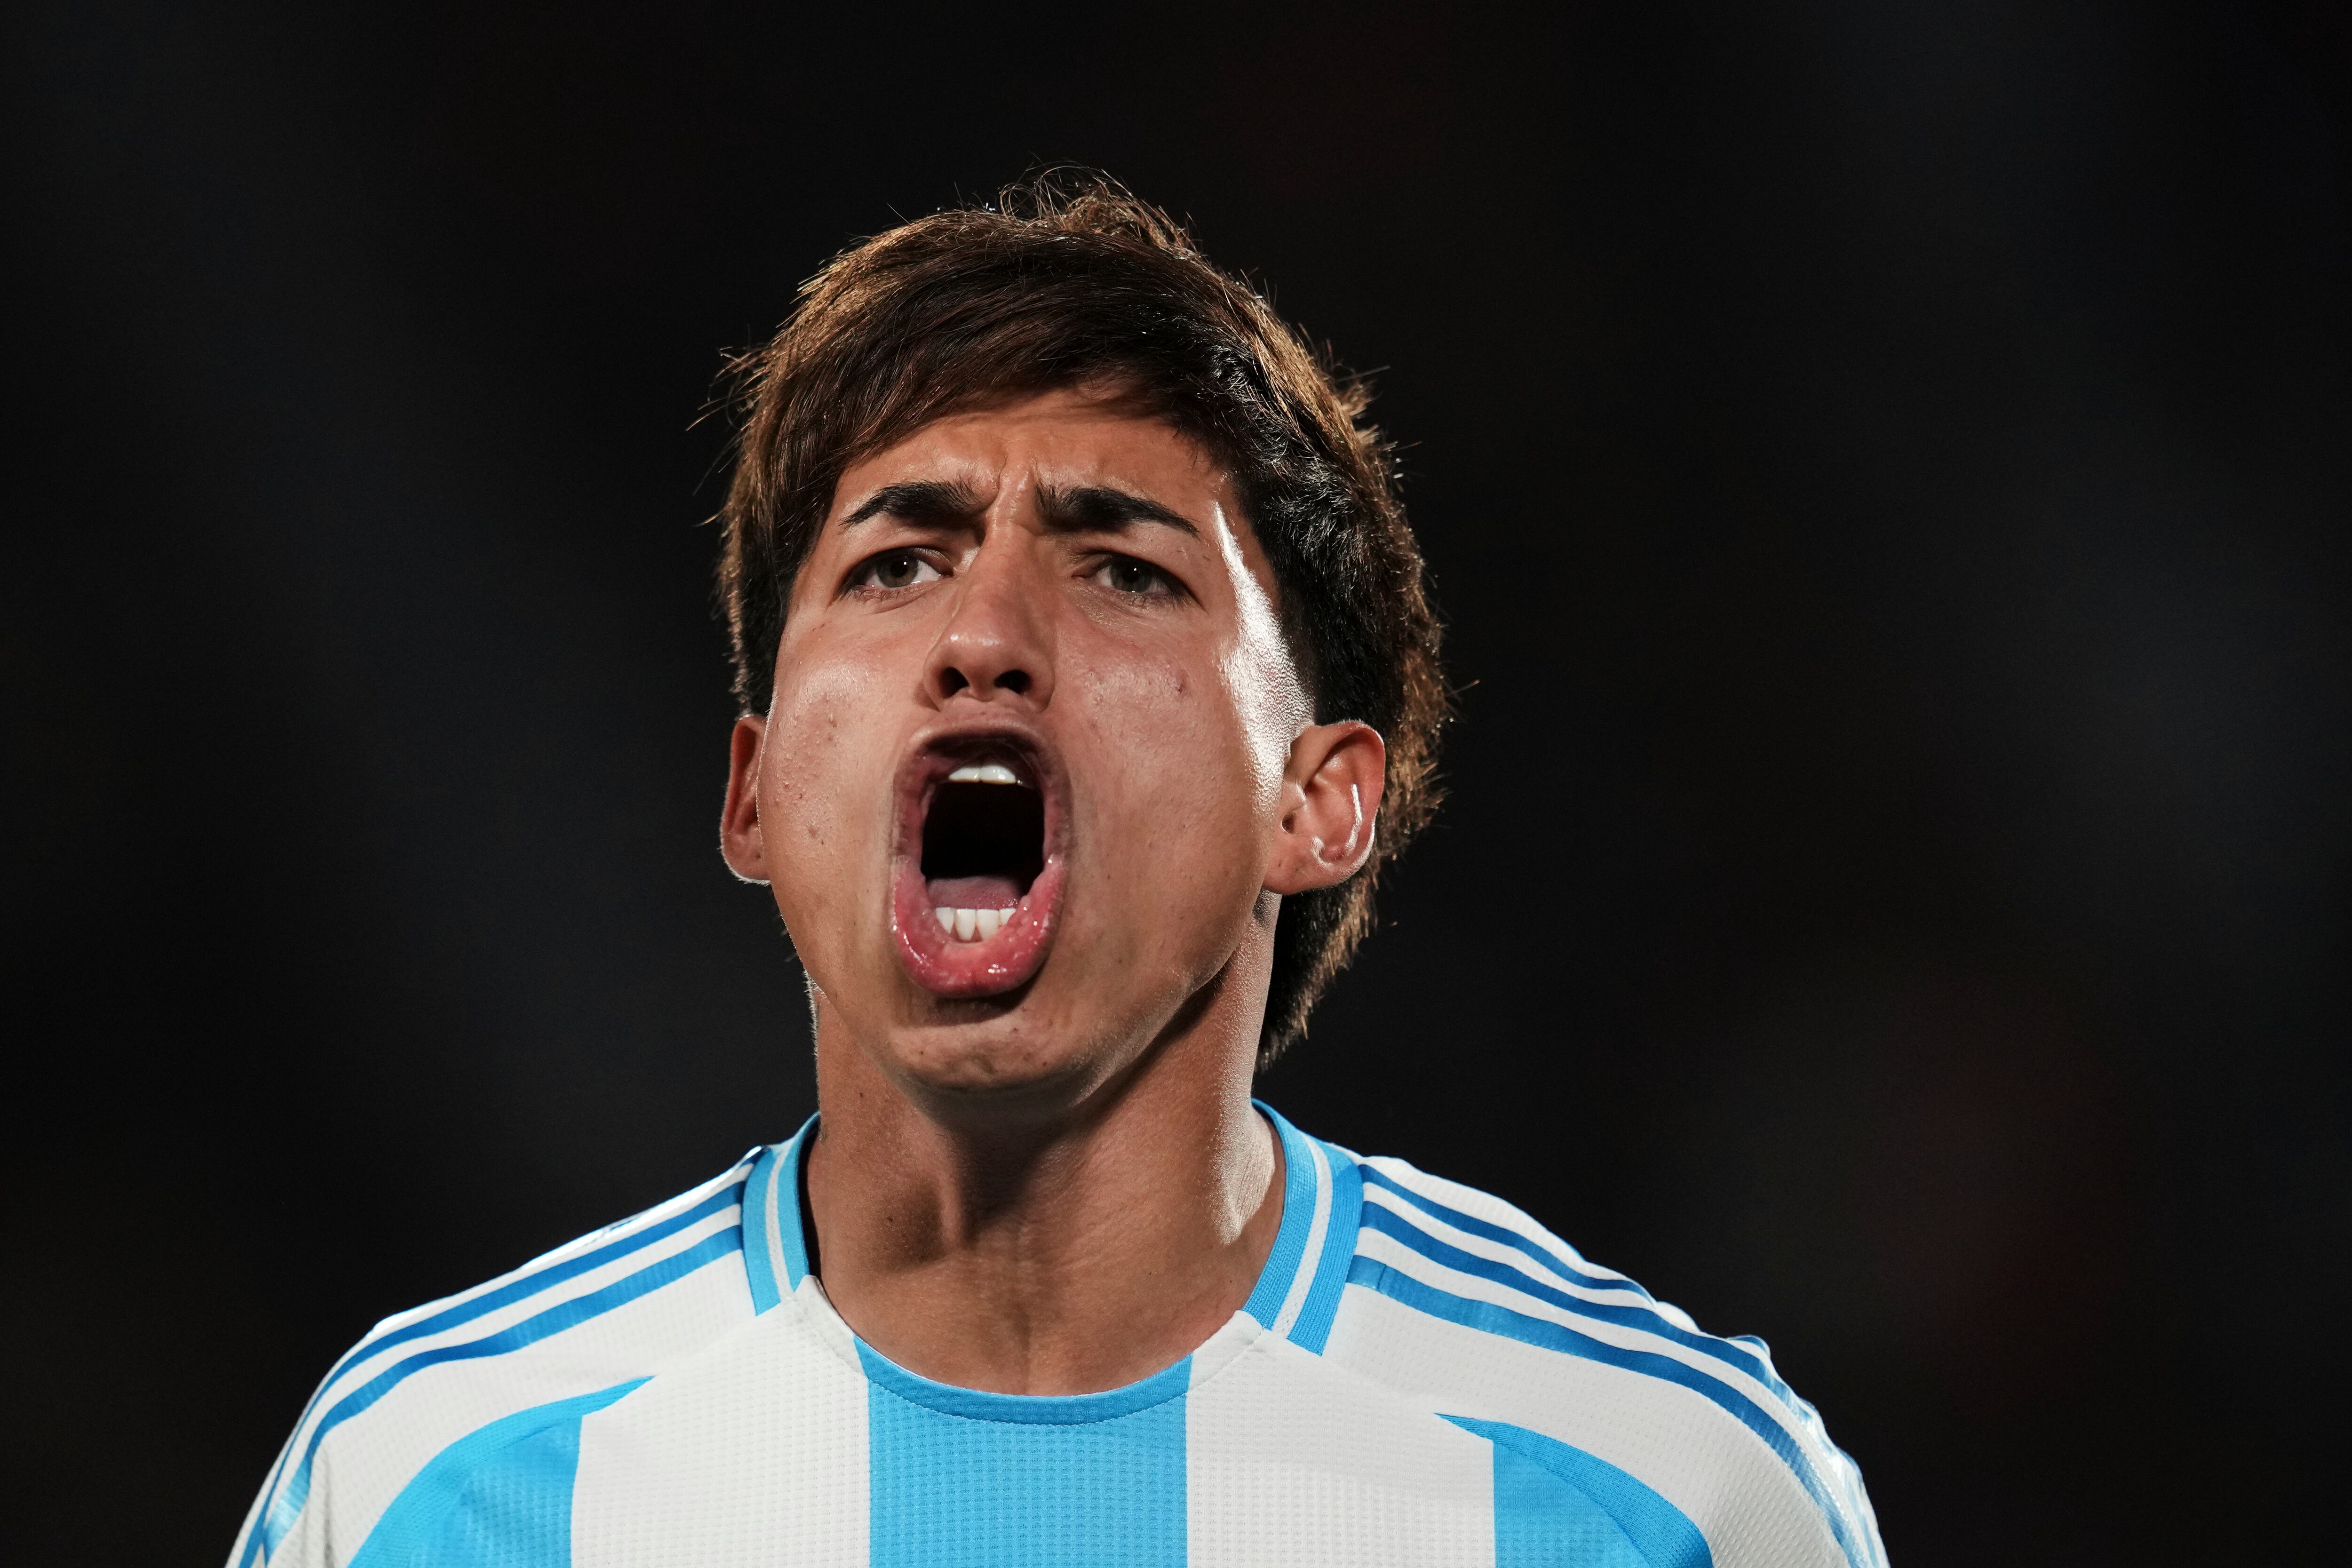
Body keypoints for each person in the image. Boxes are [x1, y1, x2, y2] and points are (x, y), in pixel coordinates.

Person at [229, 178, 1886, 1568]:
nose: (984, 638)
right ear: (751, 793)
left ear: (1319, 801)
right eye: (897, 561)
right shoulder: (424, 1486)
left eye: (1121, 568)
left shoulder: (1664, 1497)